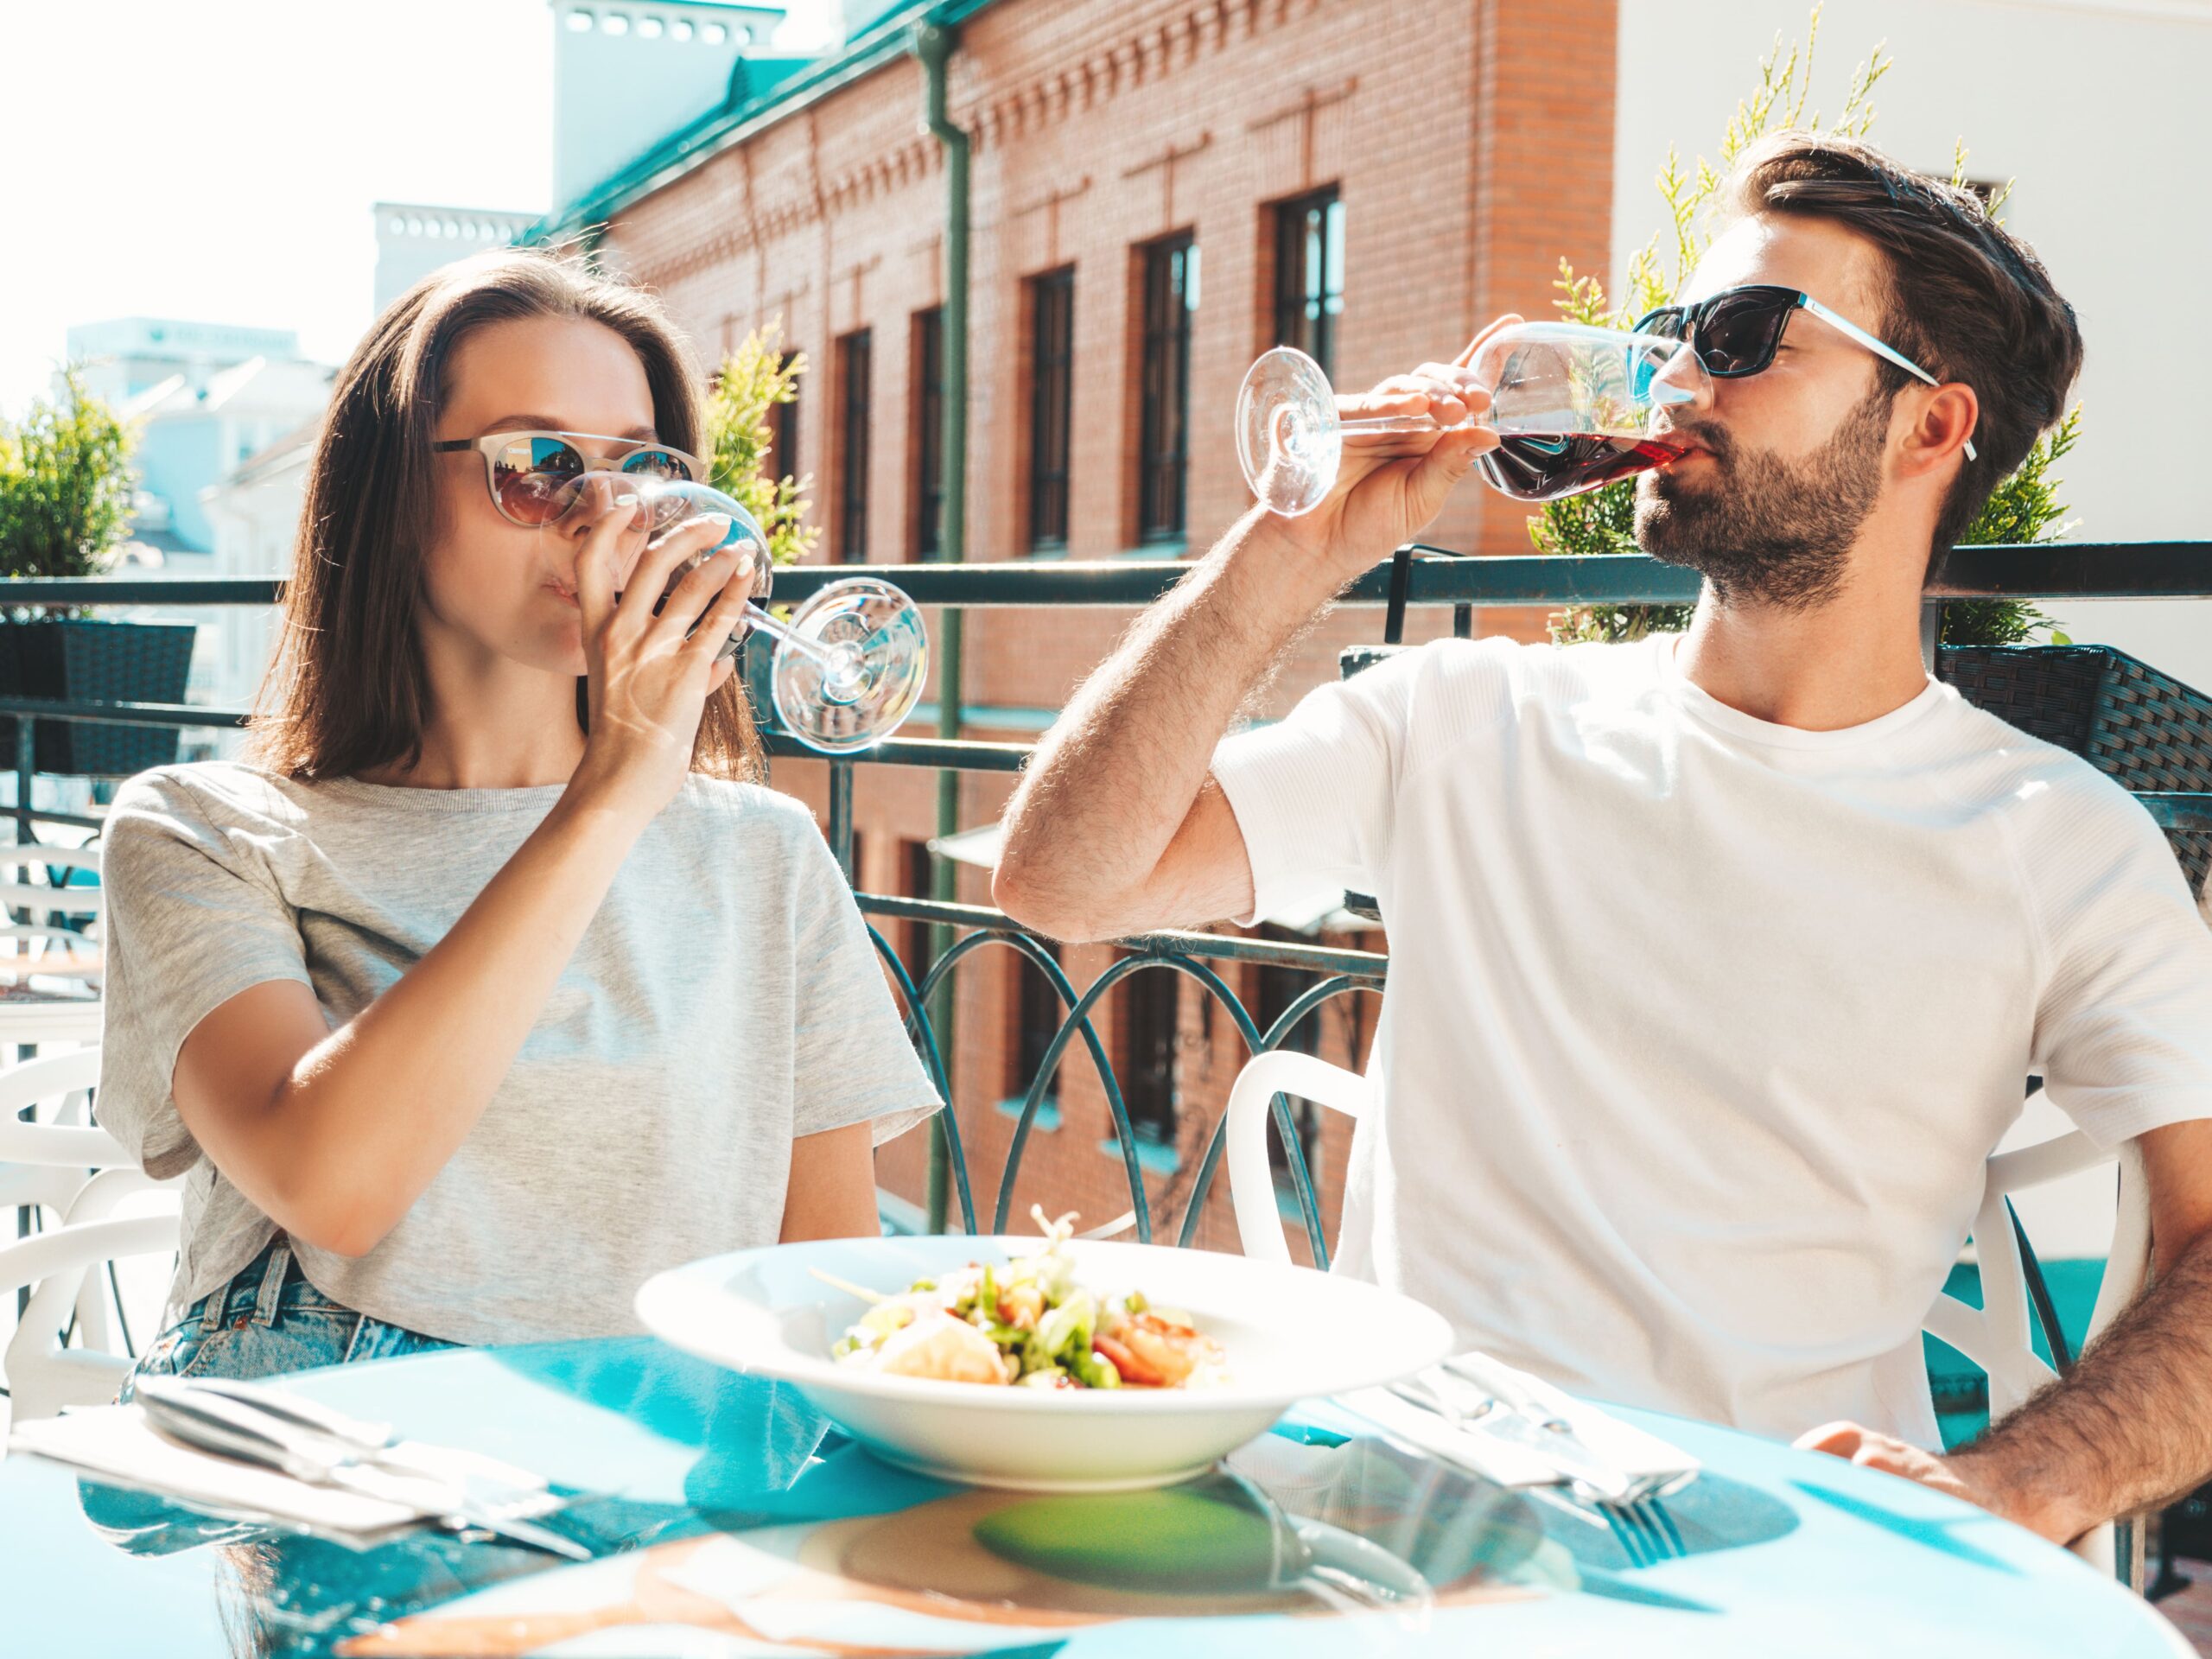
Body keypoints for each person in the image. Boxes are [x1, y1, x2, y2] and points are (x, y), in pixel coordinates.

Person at [993, 130, 2212, 1544]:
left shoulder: (2059, 845)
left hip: (1778, 1565)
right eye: (1672, 334)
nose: (1680, 383)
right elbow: (1064, 879)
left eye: (1750, 336)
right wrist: (1291, 549)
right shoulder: (1461, 718)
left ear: (1930, 429)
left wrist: (2016, 1487)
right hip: (1403, 1538)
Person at [100, 247, 938, 1386]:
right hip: (330, 1468)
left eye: (640, 467)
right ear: (394, 500)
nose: (603, 516)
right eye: (538, 464)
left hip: (672, 1477)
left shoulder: (764, 854)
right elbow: (329, 1185)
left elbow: (826, 1294)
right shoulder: (202, 827)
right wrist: (612, 794)